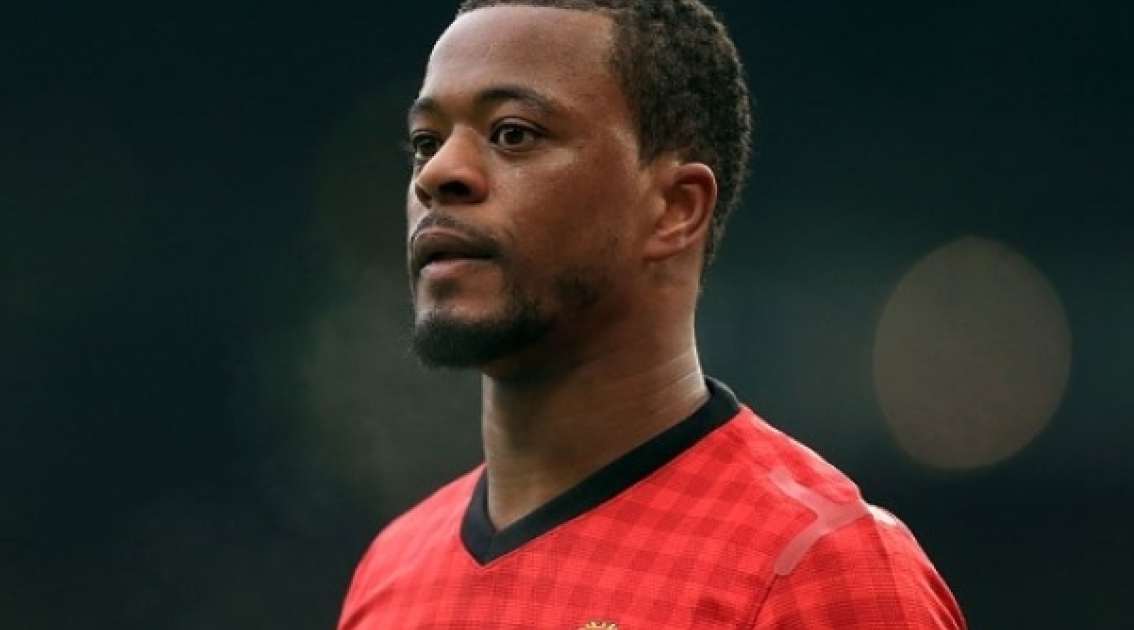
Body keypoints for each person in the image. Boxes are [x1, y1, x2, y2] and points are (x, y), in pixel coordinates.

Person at [338, 0, 967, 627]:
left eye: (513, 133)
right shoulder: (391, 576)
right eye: (425, 142)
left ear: (675, 208)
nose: (438, 174)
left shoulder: (818, 568)